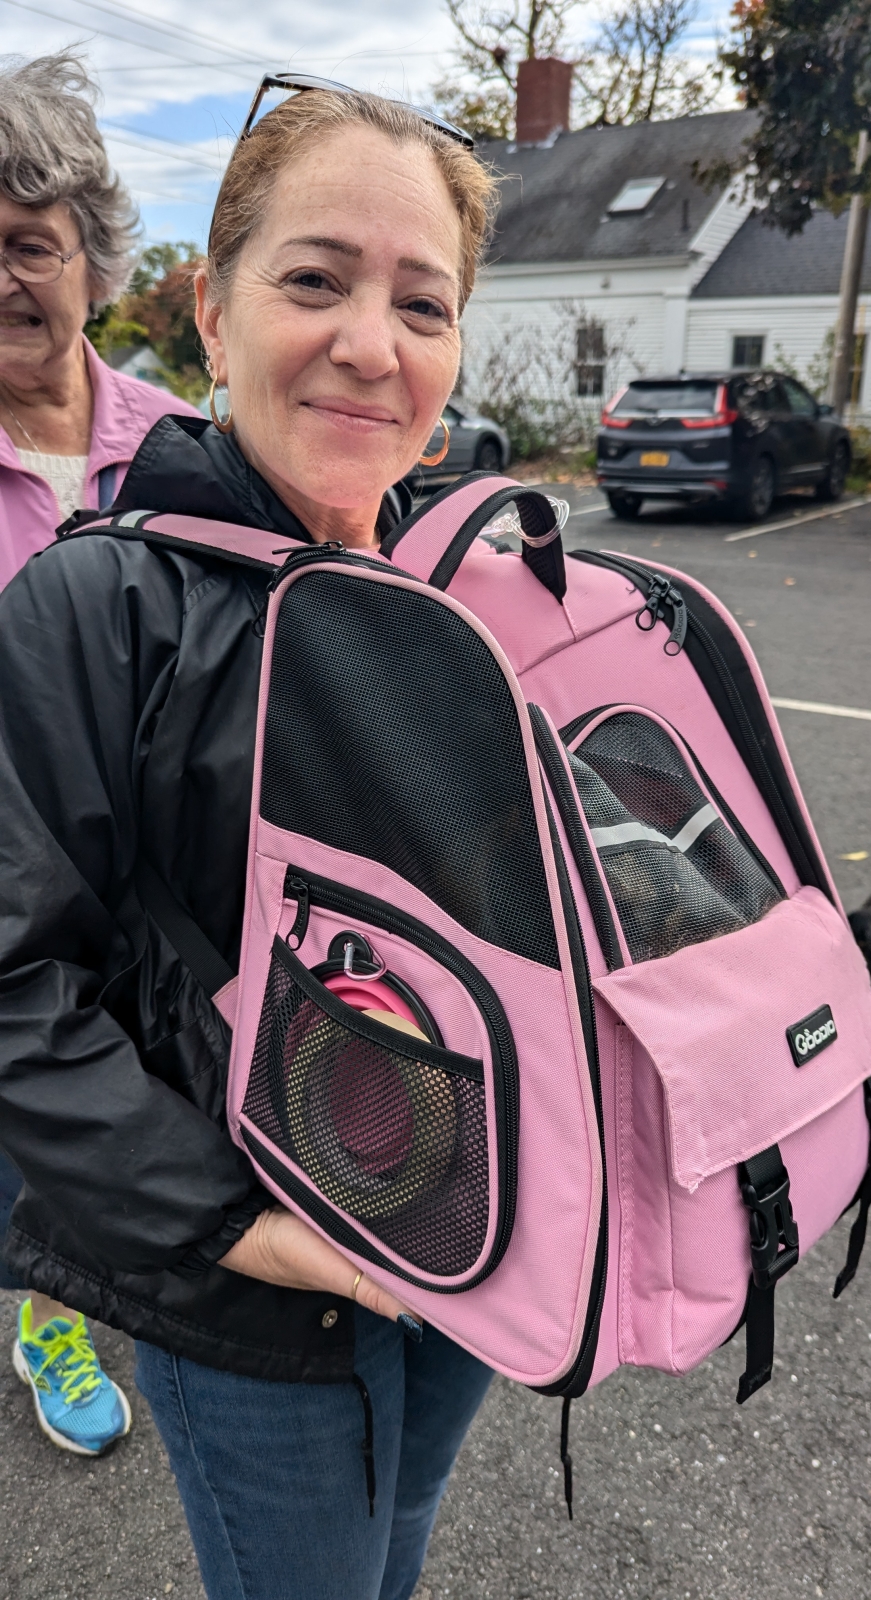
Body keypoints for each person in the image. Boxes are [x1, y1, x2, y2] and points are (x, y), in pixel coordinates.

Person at [0, 76, 499, 1598]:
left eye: (423, 302)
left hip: (465, 1243)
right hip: (257, 1279)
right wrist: (231, 1225)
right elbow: (16, 986)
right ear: (210, 315)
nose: (371, 342)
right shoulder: (94, 608)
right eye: (314, 280)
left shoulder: (475, 588)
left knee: (393, 1552)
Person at [0, 50, 197, 1456]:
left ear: (92, 261)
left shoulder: (184, 444)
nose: (3, 279)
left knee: (148, 1114)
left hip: (160, 885)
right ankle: (42, 1313)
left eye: (26, 245)